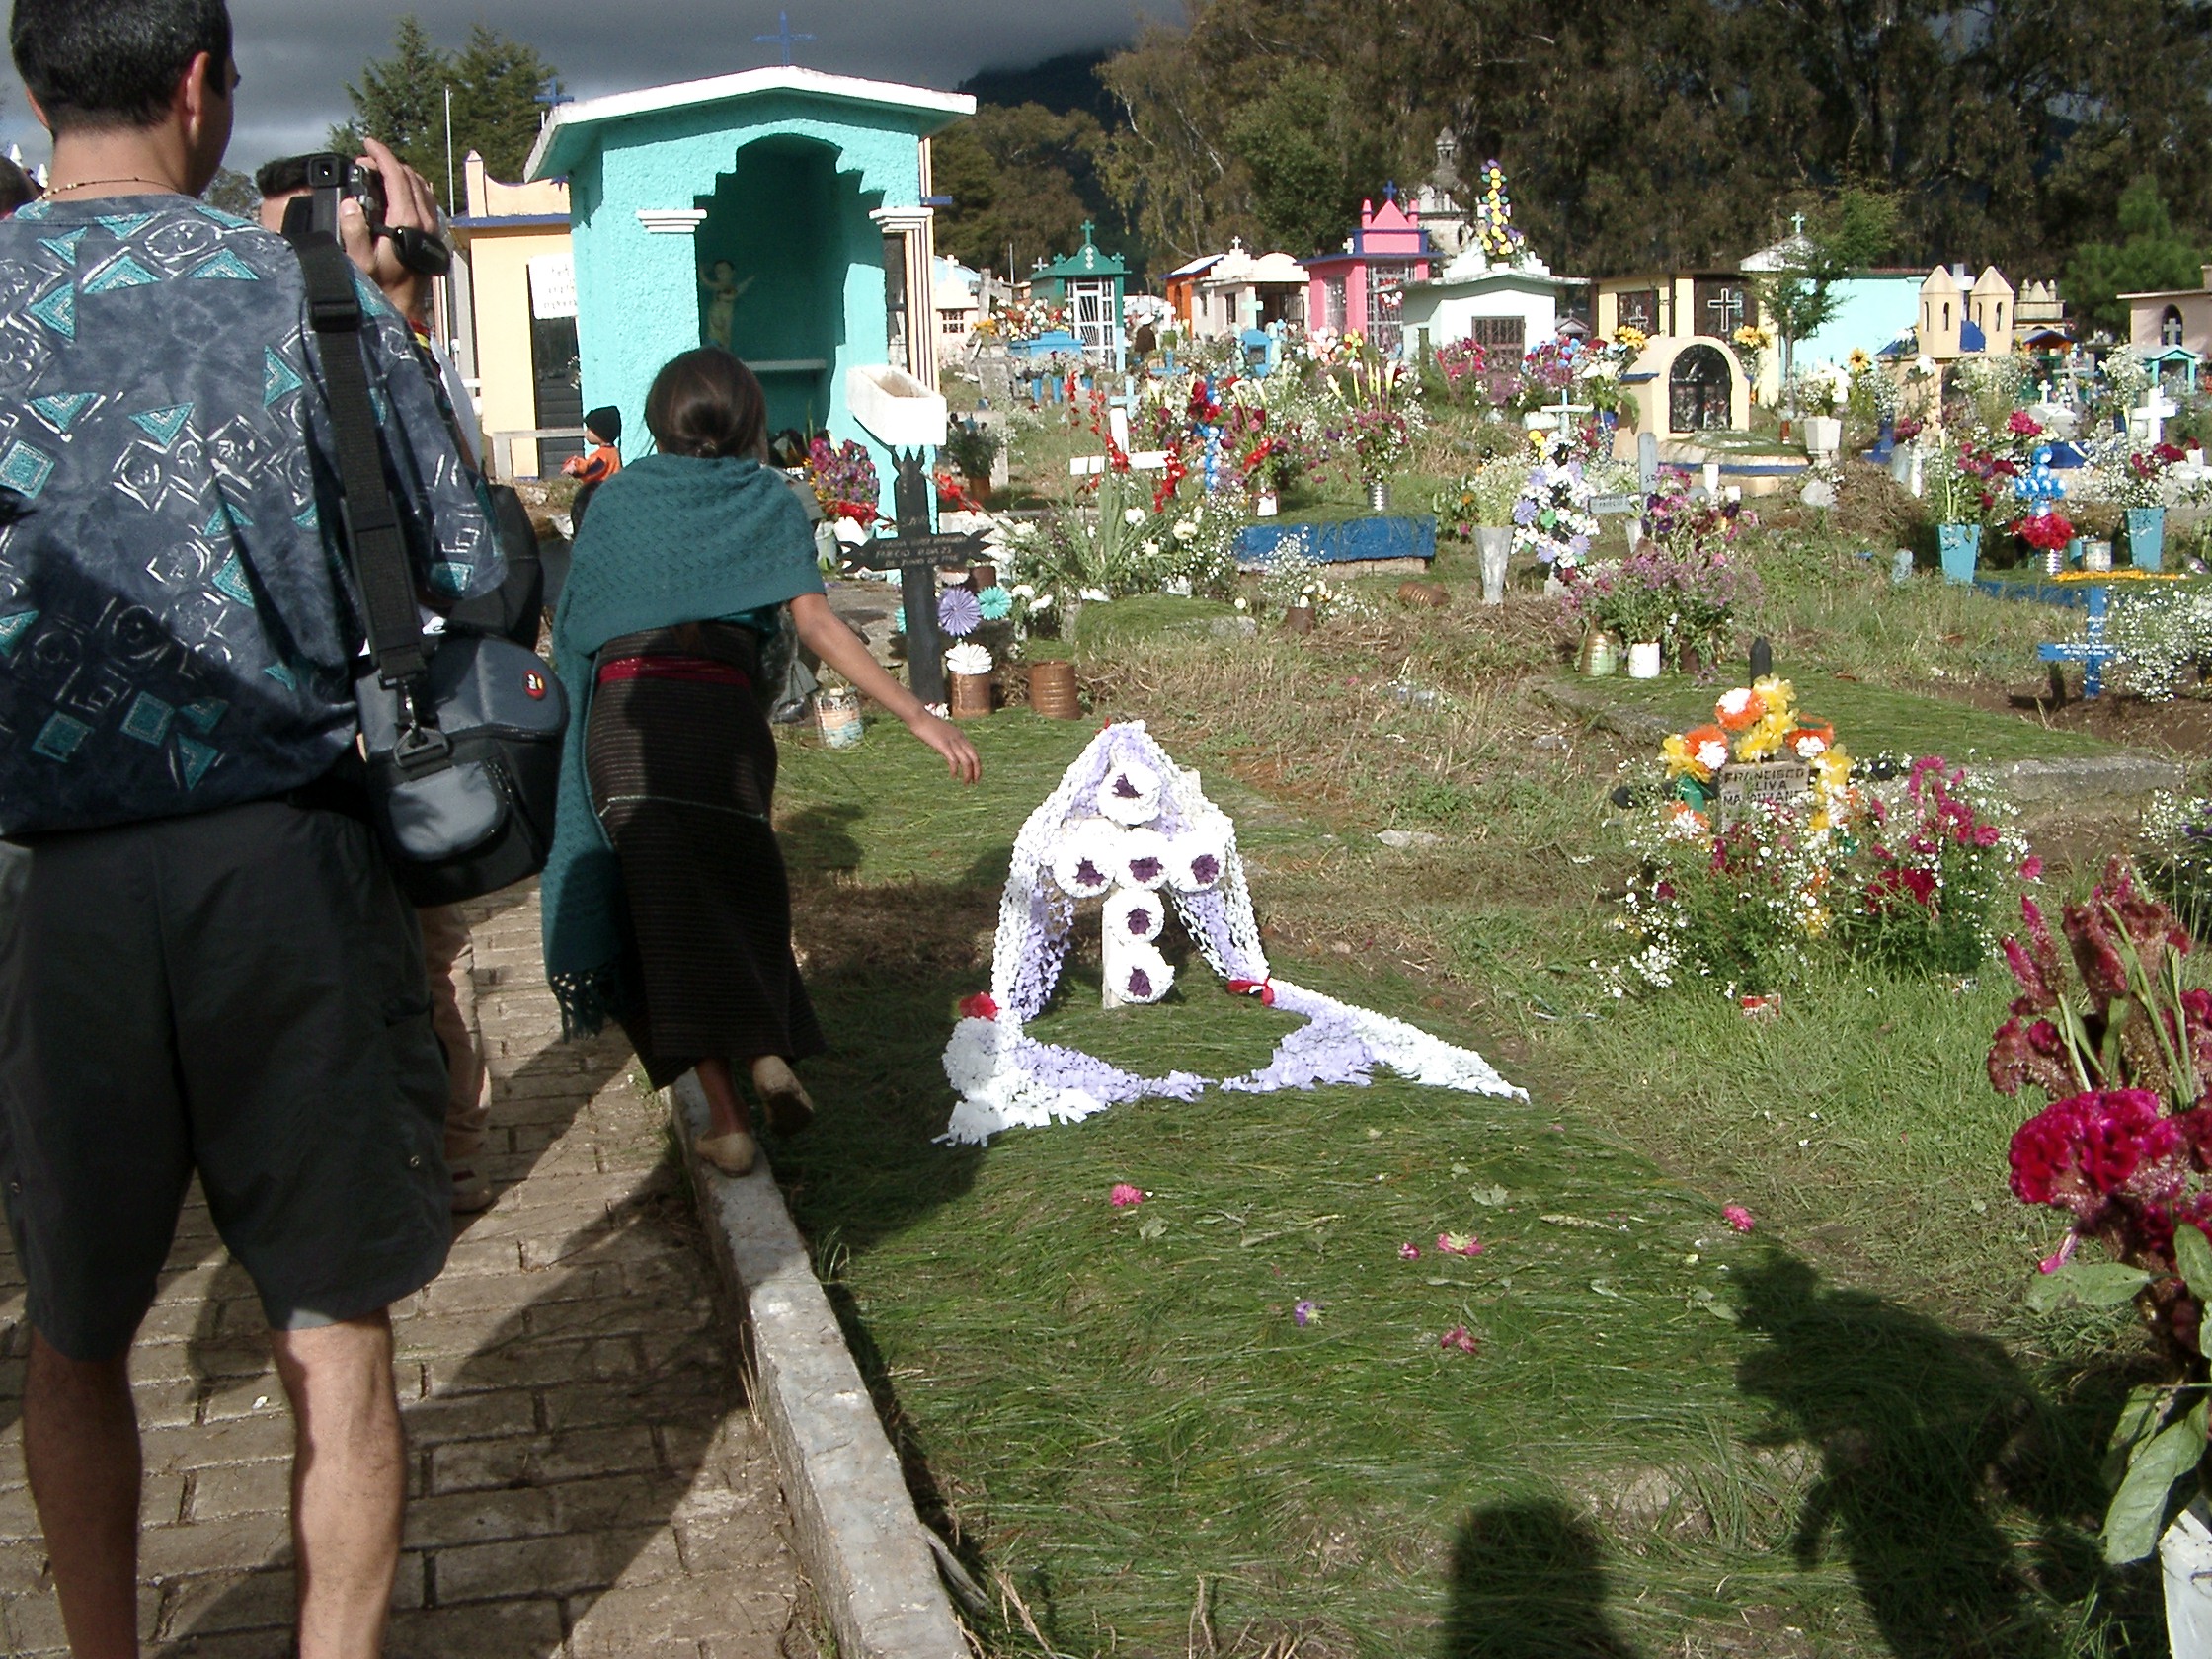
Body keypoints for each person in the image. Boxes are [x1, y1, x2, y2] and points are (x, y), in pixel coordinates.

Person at [0, 5, 500, 1658]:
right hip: (283, 867)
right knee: (332, 1328)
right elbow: (466, 567)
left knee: (73, 1332)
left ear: (30, 87)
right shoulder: (305, 296)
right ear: (204, 86)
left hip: (53, 885)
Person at [542, 348, 980, 1175]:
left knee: (657, 918)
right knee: (739, 888)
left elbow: (576, 630)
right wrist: (918, 715)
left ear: (660, 417)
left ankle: (729, 1121)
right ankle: (767, 1051)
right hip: (724, 722)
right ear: (747, 419)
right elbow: (816, 625)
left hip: (630, 723)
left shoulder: (619, 497)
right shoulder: (769, 498)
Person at [260, 151, 501, 1215]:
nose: (294, 260)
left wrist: (387, 299)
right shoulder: (239, 349)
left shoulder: (401, 358)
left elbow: (460, 521)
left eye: (311, 234)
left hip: (398, 708)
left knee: (423, 958)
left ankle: (447, 1150)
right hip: (287, 721)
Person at [562, 404, 621, 532]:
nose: (586, 433)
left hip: (598, 495)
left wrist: (576, 468)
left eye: (589, 429)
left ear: (600, 432)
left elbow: (590, 468)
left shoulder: (602, 456)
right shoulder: (614, 452)